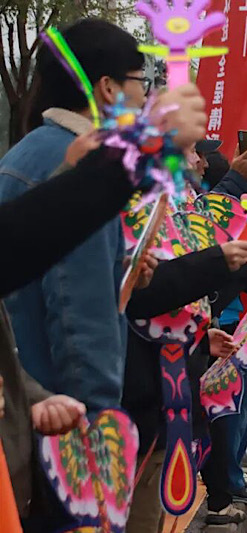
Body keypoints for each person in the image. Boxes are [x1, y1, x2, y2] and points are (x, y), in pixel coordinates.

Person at [0, 18, 148, 414]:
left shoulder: (26, 153)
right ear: (109, 88)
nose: (144, 97)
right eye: (141, 82)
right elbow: (79, 316)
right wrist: (99, 421)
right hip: (61, 415)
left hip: (24, 401)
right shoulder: (78, 168)